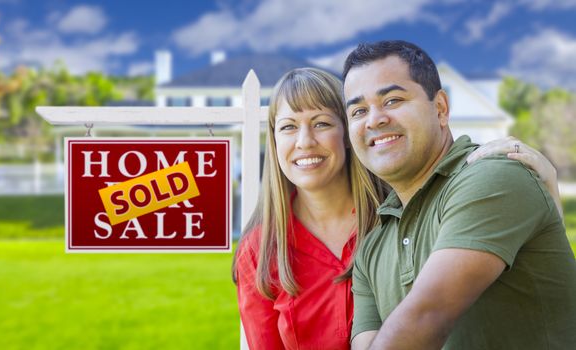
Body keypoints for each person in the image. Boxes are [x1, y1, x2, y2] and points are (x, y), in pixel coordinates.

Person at [233, 67, 563, 350]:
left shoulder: (400, 213)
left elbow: (529, 284)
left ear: (348, 132)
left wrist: (547, 189)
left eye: (321, 123)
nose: (304, 141)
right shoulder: (259, 251)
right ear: (274, 141)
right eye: (288, 127)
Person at [343, 40, 576, 349]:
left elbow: (428, 315)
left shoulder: (492, 176)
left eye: (393, 100)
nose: (374, 119)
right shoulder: (371, 249)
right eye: (359, 111)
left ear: (440, 108)